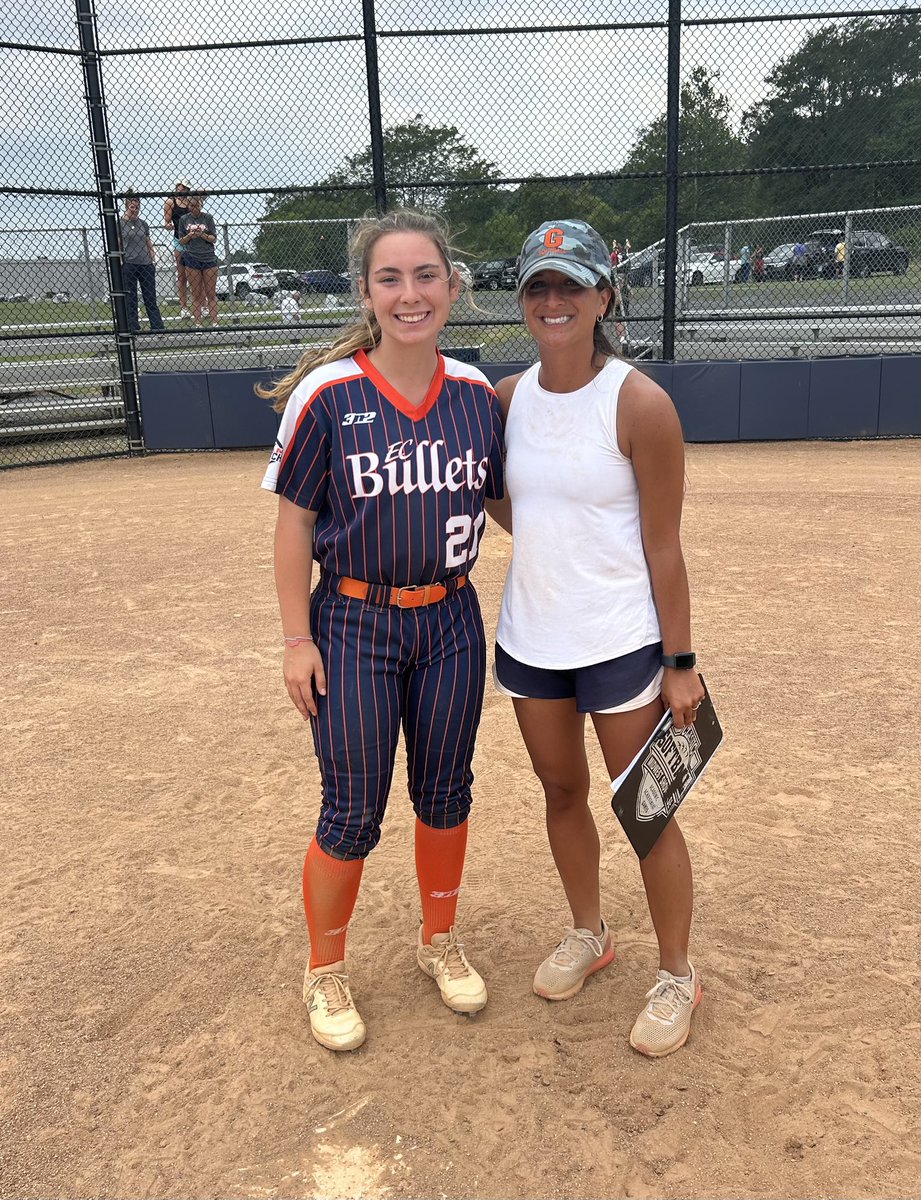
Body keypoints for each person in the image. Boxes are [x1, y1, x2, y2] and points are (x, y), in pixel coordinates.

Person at [259, 209, 505, 1053]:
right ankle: (324, 969)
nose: (410, 294)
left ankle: (438, 941)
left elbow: (505, 504)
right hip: (355, 623)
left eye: (426, 276)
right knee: (352, 810)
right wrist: (298, 640)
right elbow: (294, 525)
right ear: (366, 292)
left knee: (446, 790)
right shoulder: (328, 397)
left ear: (452, 285)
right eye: (391, 279)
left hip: (450, 619)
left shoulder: (475, 394)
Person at [491, 219, 705, 1058]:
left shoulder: (639, 402)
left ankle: (678, 972)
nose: (553, 301)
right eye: (538, 287)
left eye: (569, 286)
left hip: (621, 642)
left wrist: (680, 662)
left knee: (647, 811)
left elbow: (664, 543)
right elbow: (507, 507)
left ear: (602, 297)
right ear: (522, 302)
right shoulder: (505, 400)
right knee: (559, 793)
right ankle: (590, 932)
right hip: (531, 637)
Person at [118, 191, 165, 333]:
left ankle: (157, 327)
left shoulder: (143, 224)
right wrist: (122, 261)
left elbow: (148, 242)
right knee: (131, 298)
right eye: (132, 207)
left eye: (137, 207)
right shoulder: (120, 223)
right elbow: (119, 243)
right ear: (127, 206)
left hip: (145, 263)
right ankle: (133, 327)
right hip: (129, 263)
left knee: (150, 297)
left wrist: (152, 258)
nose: (135, 209)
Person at [177, 190, 220, 327]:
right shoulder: (184, 220)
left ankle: (215, 322)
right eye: (191, 206)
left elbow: (214, 238)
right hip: (192, 257)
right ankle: (198, 323)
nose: (194, 208)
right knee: (195, 293)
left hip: (208, 257)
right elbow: (181, 241)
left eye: (196, 206)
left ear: (201, 205)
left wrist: (203, 235)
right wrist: (190, 236)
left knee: (211, 293)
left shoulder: (207, 218)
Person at [164, 179, 192, 318]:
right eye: (181, 187)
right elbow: (167, 221)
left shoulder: (190, 201)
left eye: (185, 188)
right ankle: (184, 307)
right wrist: (169, 225)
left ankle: (202, 304)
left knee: (196, 274)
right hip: (179, 240)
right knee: (182, 275)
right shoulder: (170, 202)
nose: (182, 190)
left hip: (193, 241)